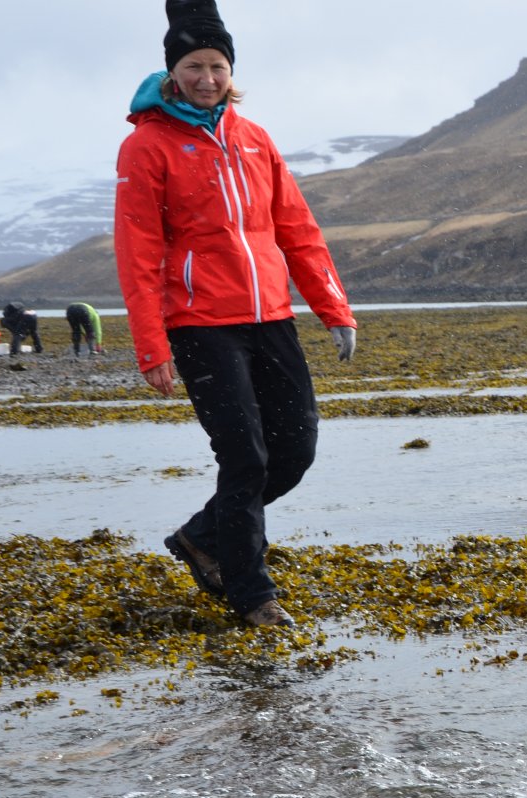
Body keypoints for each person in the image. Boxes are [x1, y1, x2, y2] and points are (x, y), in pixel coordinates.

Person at [115, 0, 357, 629]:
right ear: (173, 71)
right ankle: (253, 595)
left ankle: (202, 536)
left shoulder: (254, 138)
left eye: (217, 65)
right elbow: (137, 252)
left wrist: (333, 308)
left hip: (271, 317)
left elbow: (297, 228)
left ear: (231, 70)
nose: (207, 77)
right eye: (194, 65)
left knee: (295, 450)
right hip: (201, 326)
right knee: (245, 457)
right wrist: (152, 346)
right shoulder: (147, 146)